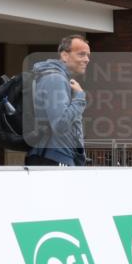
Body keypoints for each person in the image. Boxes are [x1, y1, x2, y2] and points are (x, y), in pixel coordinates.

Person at [26, 35, 91, 167]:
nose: (87, 59)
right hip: (54, 157)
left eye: (88, 55)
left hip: (53, 155)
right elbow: (60, 125)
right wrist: (79, 97)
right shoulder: (55, 79)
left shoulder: (56, 78)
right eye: (81, 54)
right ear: (65, 56)